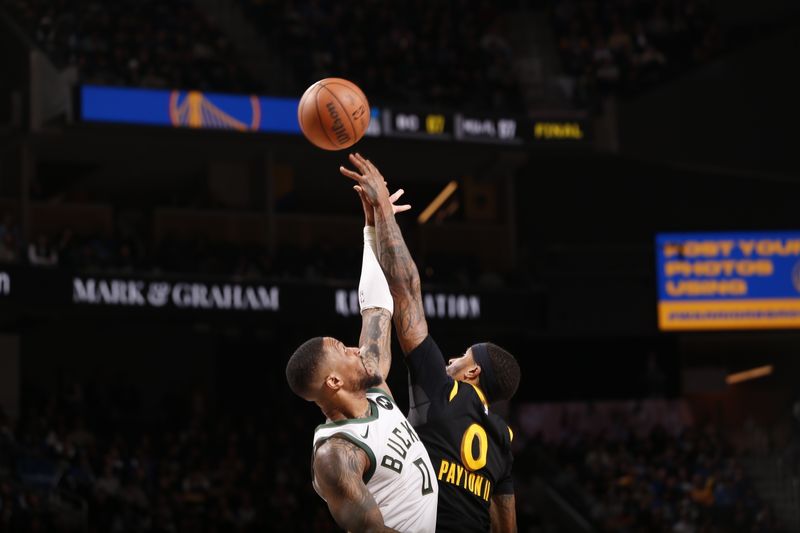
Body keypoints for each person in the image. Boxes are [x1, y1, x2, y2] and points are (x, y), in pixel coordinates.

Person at [342, 153, 521, 532]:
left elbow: (406, 290)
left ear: (472, 373)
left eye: (461, 357)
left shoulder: (444, 391)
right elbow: (507, 526)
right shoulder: (503, 439)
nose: (450, 361)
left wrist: (382, 215)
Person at [285, 189, 438, 533]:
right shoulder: (335, 455)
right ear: (334, 383)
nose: (356, 350)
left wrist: (372, 227)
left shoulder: (374, 390)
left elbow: (376, 310)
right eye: (344, 350)